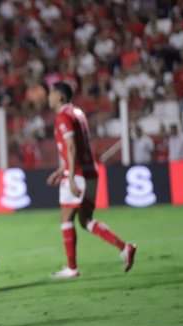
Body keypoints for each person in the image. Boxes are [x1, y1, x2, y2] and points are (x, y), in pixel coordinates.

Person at [46, 82, 137, 279]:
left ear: (60, 96)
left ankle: (72, 268)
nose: (49, 97)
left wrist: (69, 176)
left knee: (66, 218)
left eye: (51, 93)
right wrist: (60, 170)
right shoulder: (77, 113)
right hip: (90, 172)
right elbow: (76, 147)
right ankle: (124, 247)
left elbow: (71, 147)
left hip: (77, 174)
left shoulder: (63, 116)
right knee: (85, 220)